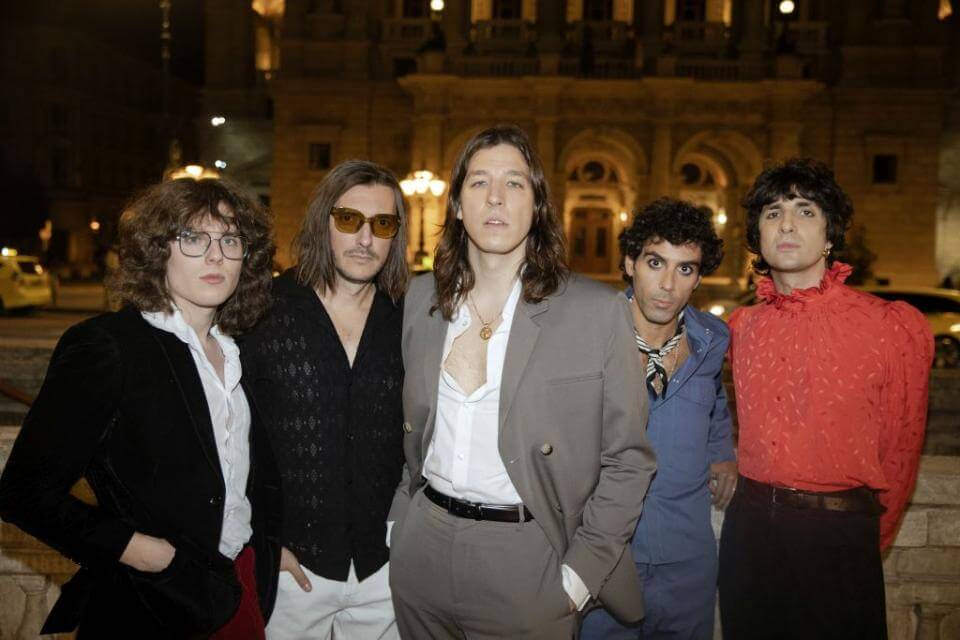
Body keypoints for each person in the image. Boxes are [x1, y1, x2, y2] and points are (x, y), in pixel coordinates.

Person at [387, 125, 656, 639]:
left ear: (537, 206)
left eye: (514, 183)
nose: (495, 197)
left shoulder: (595, 312)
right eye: (479, 181)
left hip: (528, 560)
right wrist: (400, 523)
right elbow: (412, 429)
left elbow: (628, 458)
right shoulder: (419, 301)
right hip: (422, 548)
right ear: (457, 205)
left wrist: (579, 577)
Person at [0, 177, 281, 638]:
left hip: (237, 588)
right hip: (150, 600)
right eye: (193, 238)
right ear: (157, 250)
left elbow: (243, 477)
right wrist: (144, 553)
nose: (216, 255)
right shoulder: (109, 346)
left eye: (230, 240)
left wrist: (266, 550)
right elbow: (24, 493)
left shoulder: (238, 350)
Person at [718, 158, 933, 639]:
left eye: (805, 211)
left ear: (830, 233)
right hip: (749, 536)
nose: (786, 224)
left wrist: (860, 537)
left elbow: (901, 448)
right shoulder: (741, 328)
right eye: (772, 212)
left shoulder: (888, 326)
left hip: (838, 538)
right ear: (757, 234)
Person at [242, 160, 408, 640]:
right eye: (349, 219)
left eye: (382, 224)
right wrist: (262, 542)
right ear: (323, 223)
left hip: (385, 570)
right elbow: (228, 438)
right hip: (291, 570)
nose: (365, 239)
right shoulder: (261, 311)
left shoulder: (410, 318)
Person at [581, 199, 736, 640]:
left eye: (685, 269)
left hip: (688, 560)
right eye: (655, 263)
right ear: (630, 263)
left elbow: (714, 398)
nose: (668, 284)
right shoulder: (588, 337)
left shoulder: (711, 339)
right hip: (608, 555)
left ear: (698, 278)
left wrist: (722, 451)